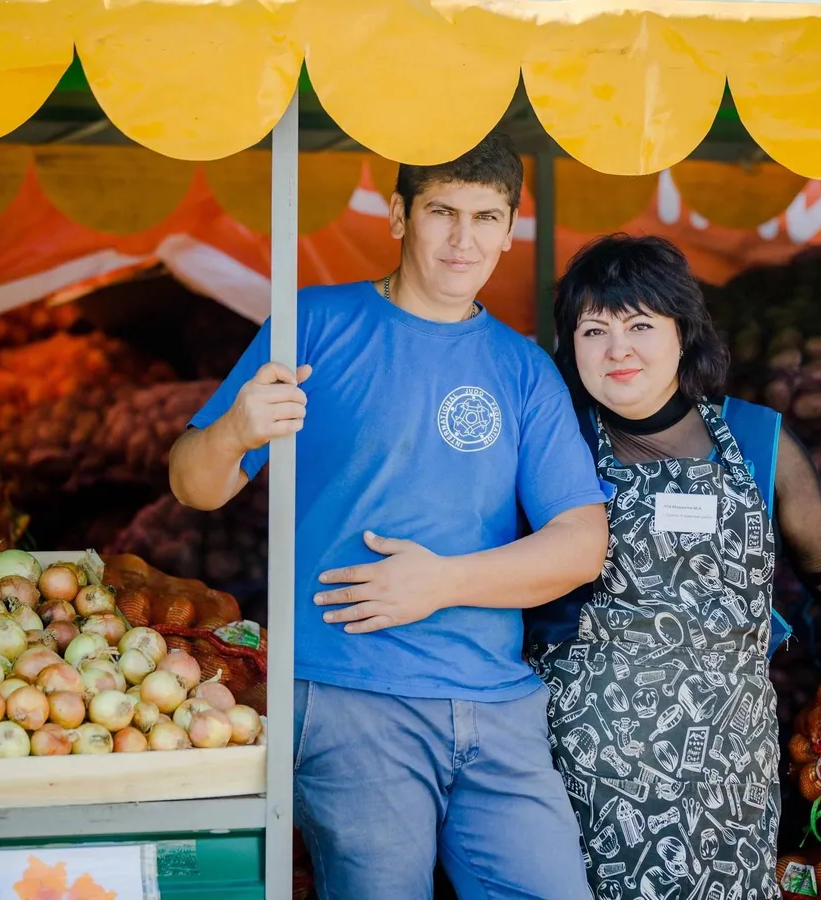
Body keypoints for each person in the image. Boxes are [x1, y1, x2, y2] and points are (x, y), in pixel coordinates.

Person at [168, 133, 609, 900]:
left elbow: (581, 545)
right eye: (442, 212)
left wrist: (441, 584)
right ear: (399, 216)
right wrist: (235, 430)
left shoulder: (524, 368)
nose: (464, 239)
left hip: (497, 705)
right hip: (352, 697)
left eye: (485, 217)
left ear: (511, 231)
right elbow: (192, 485)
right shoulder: (310, 324)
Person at [517, 234, 821, 900]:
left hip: (728, 769)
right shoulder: (554, 445)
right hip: (585, 768)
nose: (617, 349)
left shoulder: (754, 440)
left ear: (682, 333)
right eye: (593, 330)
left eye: (639, 325)